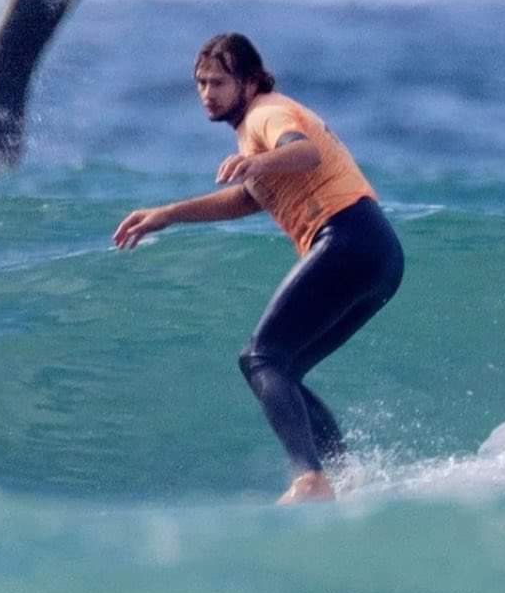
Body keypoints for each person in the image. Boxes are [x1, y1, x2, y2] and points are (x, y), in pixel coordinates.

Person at [113, 34, 404, 504]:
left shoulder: (266, 114)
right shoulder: (254, 126)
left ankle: (310, 479)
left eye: (219, 82)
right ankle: (344, 476)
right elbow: (249, 198)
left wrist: (257, 160)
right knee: (282, 370)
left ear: (249, 83)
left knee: (260, 358)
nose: (208, 93)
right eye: (201, 83)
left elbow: (304, 151)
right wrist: (168, 214)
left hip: (349, 237)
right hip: (379, 253)